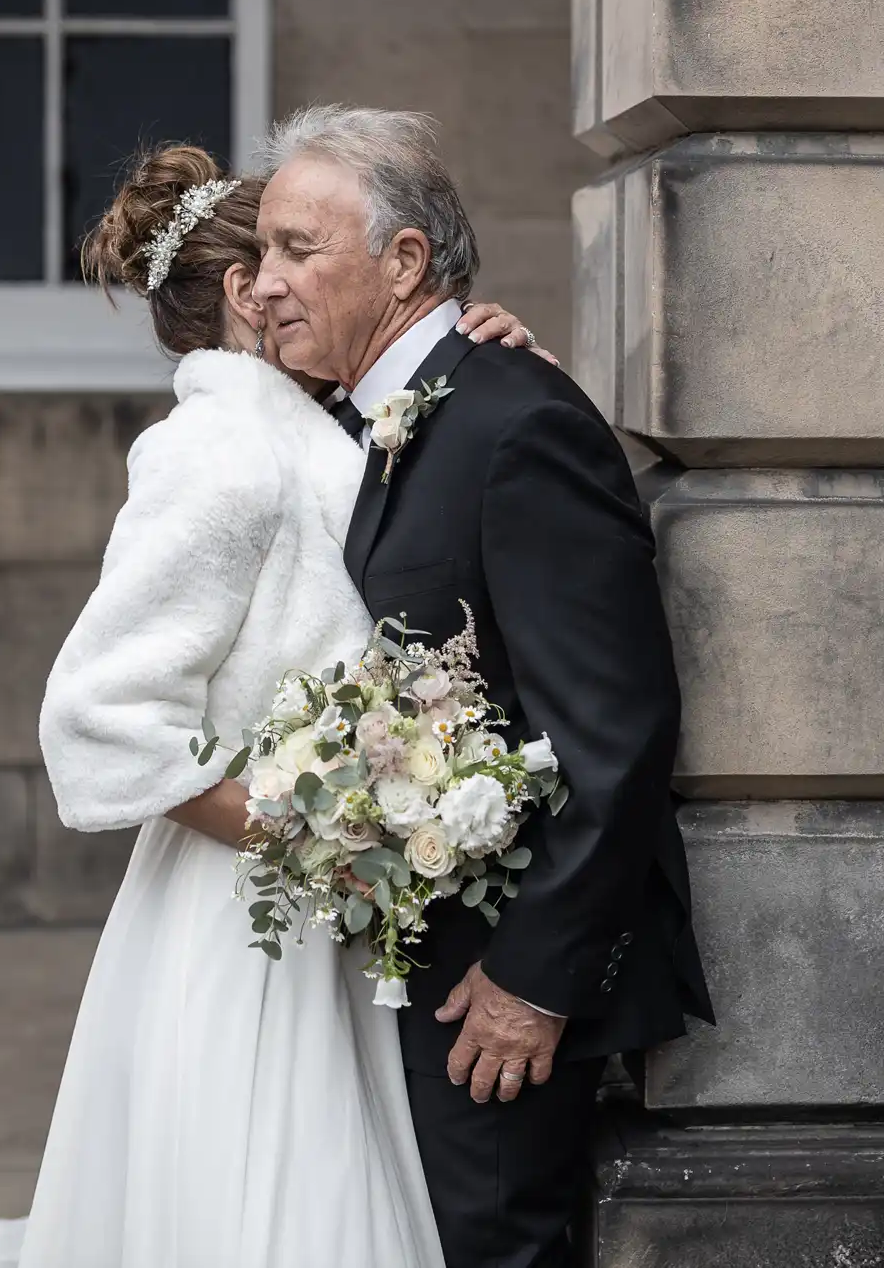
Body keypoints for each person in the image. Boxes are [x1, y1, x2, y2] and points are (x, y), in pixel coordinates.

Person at [0, 145, 549, 1268]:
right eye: (281, 253)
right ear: (240, 292)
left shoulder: (329, 429)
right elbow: (98, 717)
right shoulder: (215, 449)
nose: (291, 277)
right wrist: (320, 834)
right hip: (250, 917)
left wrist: (488, 354)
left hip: (337, 921)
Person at [253, 105, 714, 1268]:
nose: (262, 284)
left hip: (499, 985)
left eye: (294, 250)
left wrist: (533, 982)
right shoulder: (380, 413)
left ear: (404, 262)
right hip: (415, 956)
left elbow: (613, 733)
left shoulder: (518, 426)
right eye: (258, 254)